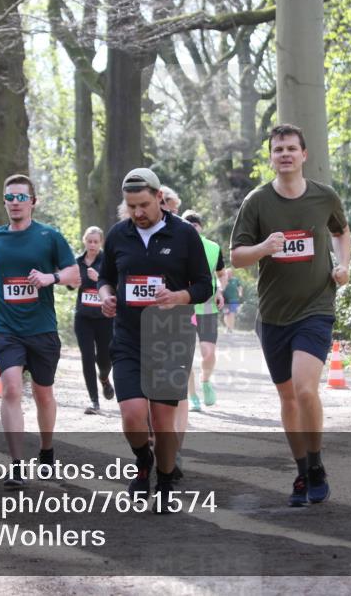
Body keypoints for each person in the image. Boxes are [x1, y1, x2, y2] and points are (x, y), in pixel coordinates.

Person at [230, 124, 351, 507]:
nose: (284, 154)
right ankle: (302, 470)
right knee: (287, 398)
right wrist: (264, 247)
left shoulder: (323, 197)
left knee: (304, 388)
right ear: (271, 157)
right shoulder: (257, 202)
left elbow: (342, 231)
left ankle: (316, 465)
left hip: (316, 306)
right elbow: (236, 256)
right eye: (278, 149)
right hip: (273, 315)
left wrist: (344, 265)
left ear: (304, 155)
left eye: (291, 148)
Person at [97, 168, 212, 510]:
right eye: (131, 206)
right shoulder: (118, 235)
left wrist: (179, 297)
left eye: (144, 205)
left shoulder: (184, 235)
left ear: (160, 197)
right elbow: (105, 277)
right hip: (129, 337)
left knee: (163, 423)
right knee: (133, 416)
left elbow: (205, 285)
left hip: (170, 336)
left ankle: (164, 480)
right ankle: (142, 461)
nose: (138, 213)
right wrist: (106, 295)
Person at [0, 174, 80, 488]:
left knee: (43, 394)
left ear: (33, 202)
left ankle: (47, 451)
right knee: (10, 389)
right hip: (6, 328)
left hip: (42, 329)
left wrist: (51, 278)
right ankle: (16, 464)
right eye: (10, 197)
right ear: (5, 202)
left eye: (21, 197)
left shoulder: (50, 236)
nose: (15, 203)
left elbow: (74, 274)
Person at [179, 210, 226, 413]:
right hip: (184, 308)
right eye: (187, 223)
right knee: (186, 355)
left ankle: (205, 381)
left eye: (195, 223)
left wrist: (220, 290)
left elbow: (222, 274)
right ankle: (193, 397)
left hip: (207, 306)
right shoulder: (175, 247)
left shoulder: (213, 248)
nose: (191, 226)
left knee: (208, 353)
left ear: (201, 226)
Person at [73, 226, 114, 414]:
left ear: (101, 243)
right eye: (89, 241)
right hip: (83, 318)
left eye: (96, 241)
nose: (92, 245)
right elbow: (71, 286)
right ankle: (94, 401)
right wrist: (73, 283)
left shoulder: (107, 261)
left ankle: (104, 378)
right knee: (87, 357)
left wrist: (99, 278)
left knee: (104, 359)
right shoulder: (78, 262)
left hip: (104, 317)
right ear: (84, 241)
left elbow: (116, 285)